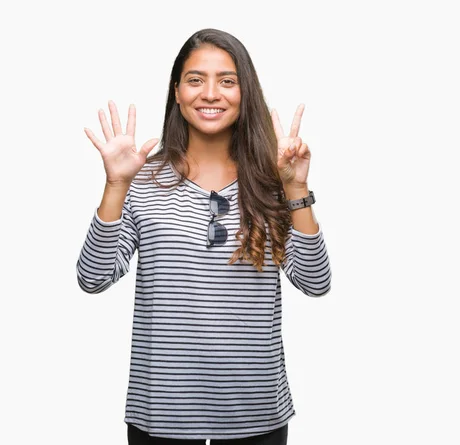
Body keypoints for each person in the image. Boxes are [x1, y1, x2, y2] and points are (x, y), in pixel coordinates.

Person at [76, 28, 331, 445]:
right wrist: (116, 185)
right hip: (161, 414)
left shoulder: (273, 181)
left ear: (245, 92)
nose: (210, 93)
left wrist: (296, 188)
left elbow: (316, 282)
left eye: (227, 81)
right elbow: (94, 277)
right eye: (195, 80)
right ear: (176, 92)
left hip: (257, 414)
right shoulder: (141, 181)